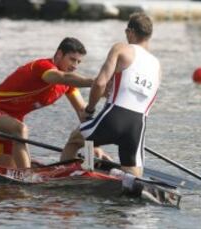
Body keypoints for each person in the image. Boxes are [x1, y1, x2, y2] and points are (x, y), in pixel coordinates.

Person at [61, 13, 162, 177]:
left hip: (113, 118)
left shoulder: (121, 48)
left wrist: (89, 110)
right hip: (137, 125)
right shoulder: (157, 65)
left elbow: (100, 83)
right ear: (149, 35)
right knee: (134, 174)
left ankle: (68, 178)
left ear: (129, 32)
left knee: (76, 139)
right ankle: (125, 181)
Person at [0, 37, 95, 169]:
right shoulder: (43, 66)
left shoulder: (68, 85)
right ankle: (27, 176)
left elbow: (82, 112)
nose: (75, 66)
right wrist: (93, 82)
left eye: (78, 62)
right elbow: (61, 77)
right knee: (20, 129)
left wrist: (95, 145)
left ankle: (18, 177)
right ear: (59, 54)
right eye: (72, 59)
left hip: (10, 122)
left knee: (5, 171)